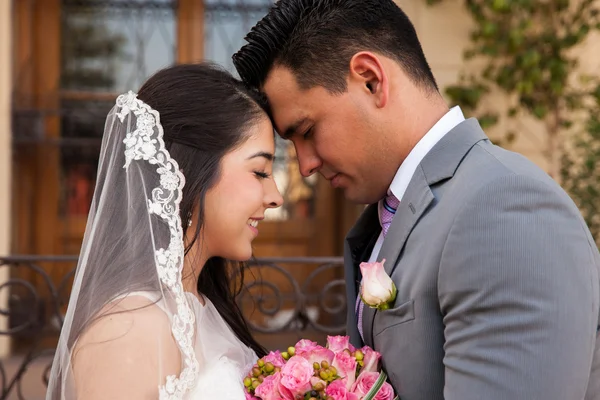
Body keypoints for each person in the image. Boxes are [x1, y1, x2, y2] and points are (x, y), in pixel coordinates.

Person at [232, 1, 600, 399]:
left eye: (307, 131)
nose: (305, 165)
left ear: (371, 79)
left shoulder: (506, 208)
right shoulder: (395, 213)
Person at [46, 63, 283, 399]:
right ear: (190, 171)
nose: (276, 197)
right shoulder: (126, 330)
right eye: (260, 171)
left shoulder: (199, 306)